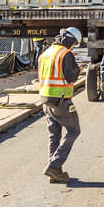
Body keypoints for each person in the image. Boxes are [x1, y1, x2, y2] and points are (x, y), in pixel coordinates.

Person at [38, 27, 83, 184]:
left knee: (54, 135)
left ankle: (54, 172)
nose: (73, 47)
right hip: (61, 100)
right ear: (70, 40)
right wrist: (79, 69)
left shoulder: (45, 53)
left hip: (45, 99)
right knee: (74, 131)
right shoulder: (65, 53)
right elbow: (70, 77)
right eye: (74, 44)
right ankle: (54, 166)